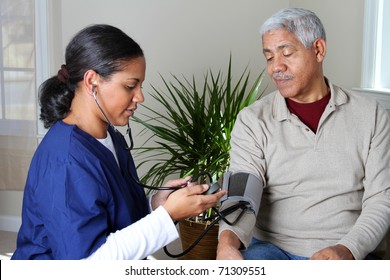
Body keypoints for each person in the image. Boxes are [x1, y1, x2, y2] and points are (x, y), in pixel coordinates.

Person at [11, 24, 225, 260]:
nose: (140, 97)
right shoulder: (66, 161)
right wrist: (167, 216)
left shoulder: (111, 138)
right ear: (92, 81)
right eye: (130, 86)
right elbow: (86, 265)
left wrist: (156, 205)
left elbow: (113, 216)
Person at [216, 8, 390, 260]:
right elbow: (243, 192)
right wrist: (227, 244)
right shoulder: (253, 120)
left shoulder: (370, 114)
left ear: (318, 50)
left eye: (286, 53)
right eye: (268, 57)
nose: (276, 67)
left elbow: (382, 199)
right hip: (272, 250)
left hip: (346, 249)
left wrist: (348, 249)